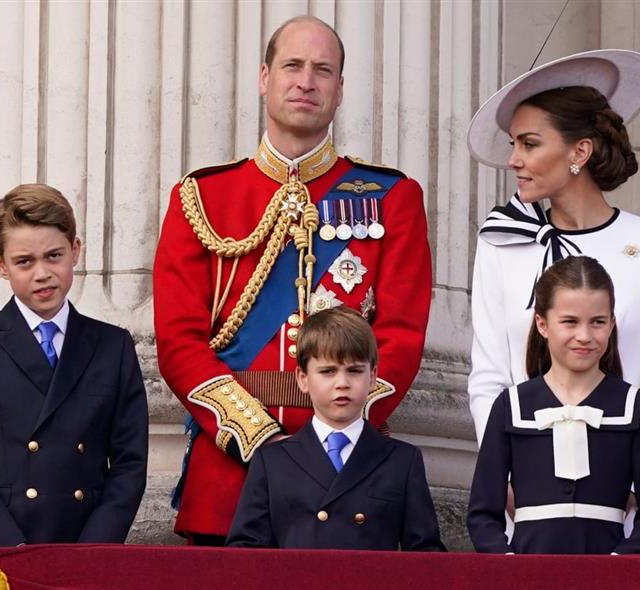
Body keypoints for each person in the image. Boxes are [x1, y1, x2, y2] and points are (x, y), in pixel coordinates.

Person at [153, 16, 432, 543]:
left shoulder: (393, 198)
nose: (307, 81)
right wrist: (256, 437)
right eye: (293, 66)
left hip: (349, 476)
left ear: (340, 89)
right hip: (230, 475)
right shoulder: (202, 197)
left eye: (323, 70)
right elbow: (178, 342)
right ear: (264, 77)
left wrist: (334, 435)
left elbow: (400, 336)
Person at [467, 50, 640, 457]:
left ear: (579, 152)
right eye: (513, 143)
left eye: (529, 144)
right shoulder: (501, 243)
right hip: (526, 486)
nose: (514, 159)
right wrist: (503, 475)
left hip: (621, 484)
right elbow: (487, 379)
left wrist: (638, 477)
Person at [0, 184, 149, 546]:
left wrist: (94, 549)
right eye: (24, 261)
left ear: (75, 250)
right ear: (2, 264)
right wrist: (7, 546)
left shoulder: (112, 346)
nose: (42, 273)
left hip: (84, 546)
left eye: (54, 256)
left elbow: (130, 463)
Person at [467, 256, 640, 554]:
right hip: (528, 576)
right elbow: (483, 513)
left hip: (609, 577)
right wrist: (507, 563)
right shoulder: (511, 405)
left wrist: (620, 565)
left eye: (598, 322)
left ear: (612, 323)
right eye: (570, 322)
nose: (585, 336)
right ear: (542, 324)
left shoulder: (635, 405)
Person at [225, 307, 446, 550]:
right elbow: (245, 554)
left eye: (354, 371)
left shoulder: (402, 461)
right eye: (328, 372)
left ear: (373, 377)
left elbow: (426, 556)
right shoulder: (272, 461)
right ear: (303, 379)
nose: (342, 383)